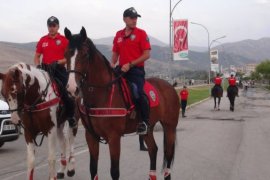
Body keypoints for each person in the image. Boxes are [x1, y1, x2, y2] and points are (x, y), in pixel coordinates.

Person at [111, 7, 151, 135]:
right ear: (124, 19)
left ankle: (144, 122)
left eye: (136, 18)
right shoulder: (118, 35)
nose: (135, 20)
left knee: (138, 92)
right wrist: (112, 64)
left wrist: (130, 64)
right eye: (132, 18)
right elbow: (115, 53)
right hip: (121, 69)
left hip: (136, 71)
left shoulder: (141, 33)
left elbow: (146, 54)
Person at [34, 16, 77, 128]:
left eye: (54, 25)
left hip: (59, 70)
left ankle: (71, 116)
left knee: (66, 92)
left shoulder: (64, 40)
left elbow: (69, 57)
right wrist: (38, 66)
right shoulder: (43, 40)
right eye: (50, 26)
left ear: (58, 26)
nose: (52, 28)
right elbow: (37, 56)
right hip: (44, 70)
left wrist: (58, 62)